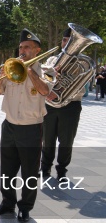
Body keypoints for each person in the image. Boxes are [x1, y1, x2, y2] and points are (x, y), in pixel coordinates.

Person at [0, 29, 55, 223]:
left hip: (31, 127)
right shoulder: (12, 68)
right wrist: (2, 75)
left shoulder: (47, 71)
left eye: (27, 47)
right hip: (9, 125)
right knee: (7, 169)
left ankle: (25, 207)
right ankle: (7, 203)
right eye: (21, 47)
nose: (23, 50)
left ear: (37, 50)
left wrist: (30, 71)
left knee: (29, 171)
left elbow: (44, 90)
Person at [41, 27, 82, 183]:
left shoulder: (81, 61)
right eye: (65, 40)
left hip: (71, 105)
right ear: (62, 41)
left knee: (66, 141)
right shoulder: (52, 60)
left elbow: (80, 85)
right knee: (47, 138)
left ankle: (62, 170)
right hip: (50, 104)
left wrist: (62, 88)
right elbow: (43, 78)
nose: (67, 44)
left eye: (71, 41)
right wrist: (51, 74)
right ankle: (45, 168)